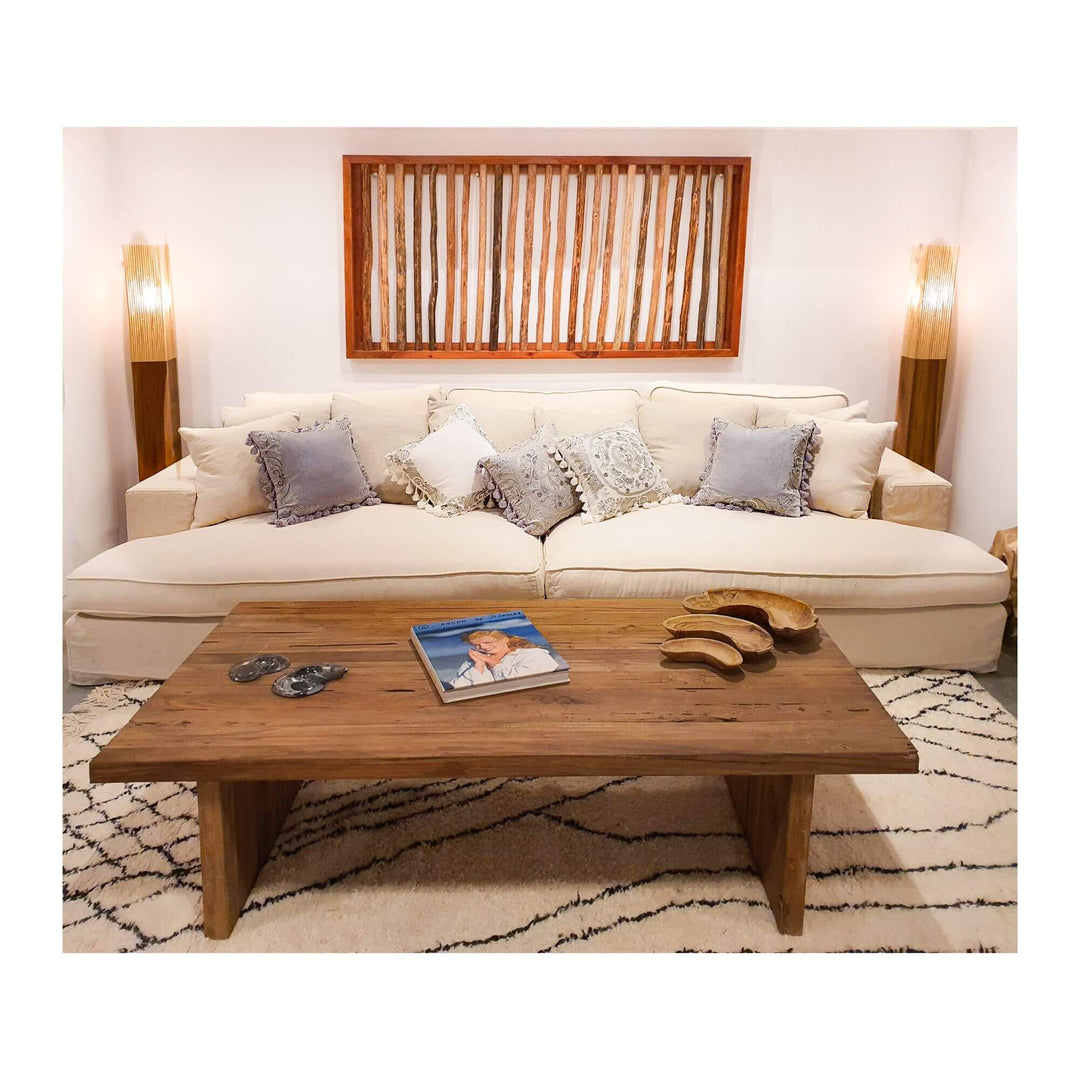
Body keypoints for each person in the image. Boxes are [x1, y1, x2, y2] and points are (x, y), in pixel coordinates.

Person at [449, 629, 560, 688]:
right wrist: (478, 667)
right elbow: (458, 687)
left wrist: (495, 664)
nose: (482, 647)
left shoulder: (533, 654)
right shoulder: (473, 662)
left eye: (487, 642)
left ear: (505, 640)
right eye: (476, 645)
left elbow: (522, 683)